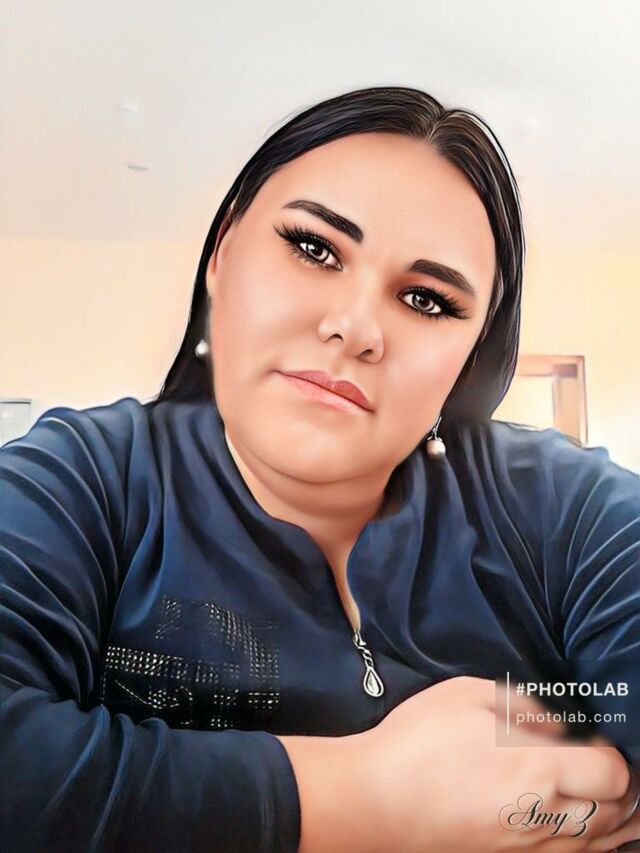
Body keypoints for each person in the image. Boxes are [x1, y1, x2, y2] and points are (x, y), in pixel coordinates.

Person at [1, 86, 639, 852]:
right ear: (223, 254)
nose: (355, 327)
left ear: (471, 357)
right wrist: (367, 798)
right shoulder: (80, 480)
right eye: (314, 248)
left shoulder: (559, 505)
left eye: (426, 299)